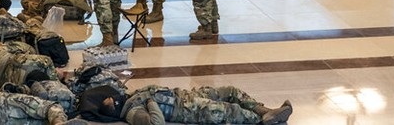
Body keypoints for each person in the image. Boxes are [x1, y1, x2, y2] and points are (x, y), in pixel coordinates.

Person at [79, 82, 292, 124]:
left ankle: (265, 109)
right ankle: (266, 120)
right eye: (108, 100)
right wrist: (151, 102)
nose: (110, 97)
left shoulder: (131, 96)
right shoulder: (132, 112)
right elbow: (156, 123)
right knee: (229, 111)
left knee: (230, 91)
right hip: (188, 110)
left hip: (188, 94)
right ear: (112, 108)